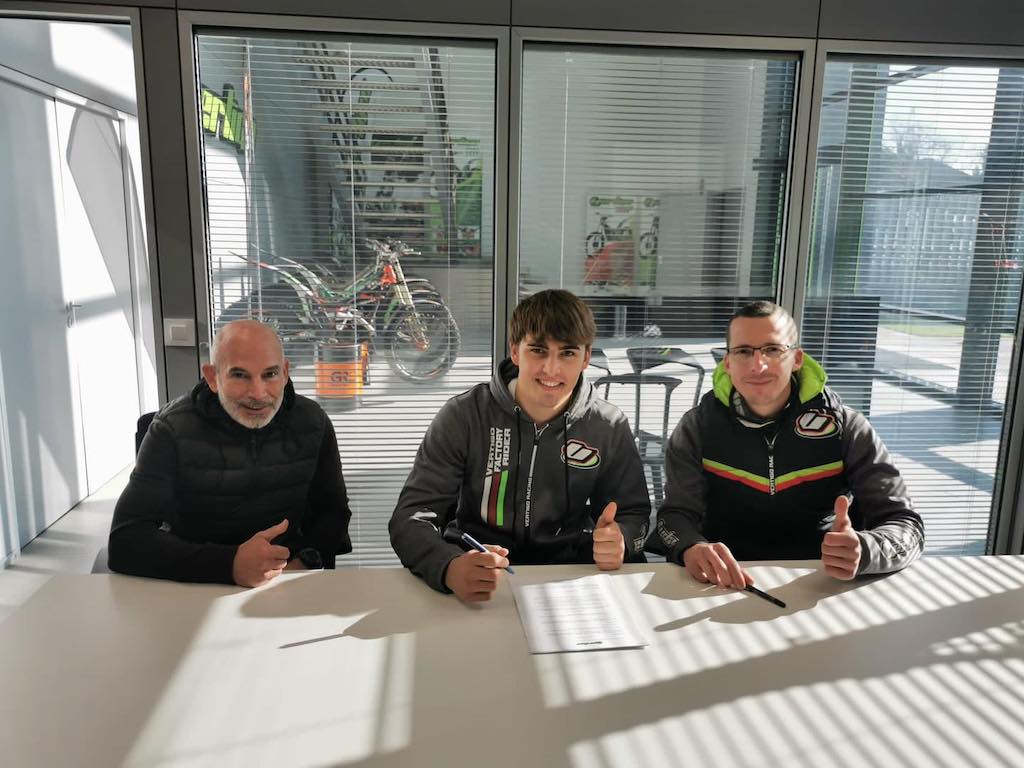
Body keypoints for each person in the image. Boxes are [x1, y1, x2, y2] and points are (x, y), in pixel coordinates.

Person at [389, 289, 651, 601]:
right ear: (515, 351)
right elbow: (412, 518)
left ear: (586, 358)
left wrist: (622, 539)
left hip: (569, 583)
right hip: (480, 573)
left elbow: (634, 514)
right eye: (538, 351)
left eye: (567, 353)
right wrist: (448, 565)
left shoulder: (607, 426)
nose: (551, 369)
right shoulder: (464, 416)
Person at [655, 301, 924, 588]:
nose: (758, 365)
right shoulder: (697, 427)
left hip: (824, 582)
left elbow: (908, 526)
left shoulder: (847, 427)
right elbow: (674, 516)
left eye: (772, 349)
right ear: (728, 363)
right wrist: (691, 546)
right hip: (724, 581)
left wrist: (867, 550)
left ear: (796, 359)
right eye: (743, 351)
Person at [108, 319, 352, 586]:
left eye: (270, 374)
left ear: (285, 373)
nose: (258, 393)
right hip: (195, 582)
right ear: (212, 377)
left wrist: (304, 561)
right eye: (239, 375)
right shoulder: (172, 429)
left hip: (286, 577)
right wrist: (230, 565)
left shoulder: (312, 422)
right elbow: (126, 540)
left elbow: (333, 513)